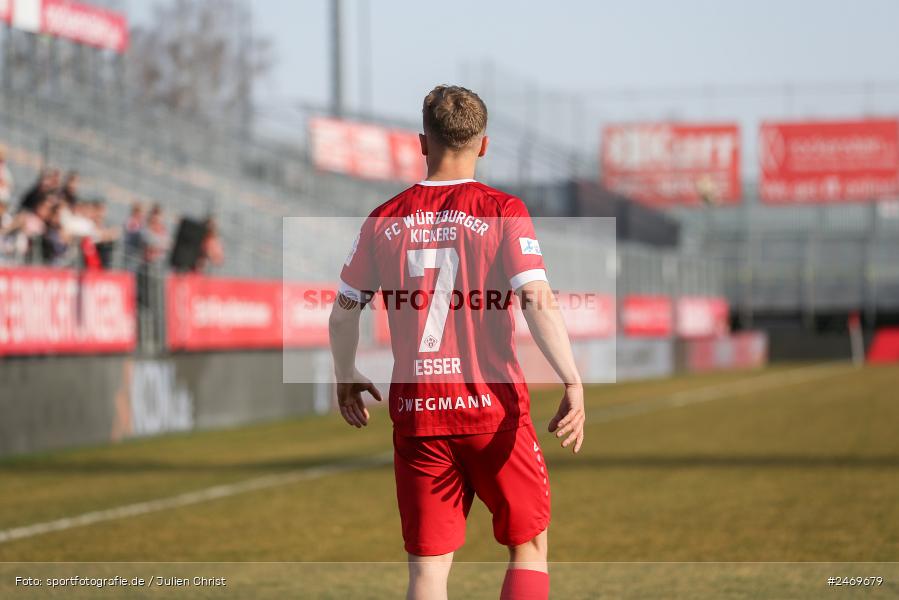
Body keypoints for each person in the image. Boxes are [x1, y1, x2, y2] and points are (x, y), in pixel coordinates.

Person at [328, 85, 585, 600]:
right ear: (483, 145)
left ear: (422, 142)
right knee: (529, 545)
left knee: (428, 569)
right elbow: (536, 300)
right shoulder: (501, 209)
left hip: (420, 412)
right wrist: (572, 379)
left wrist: (346, 372)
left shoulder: (384, 217)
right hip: (491, 412)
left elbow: (342, 313)